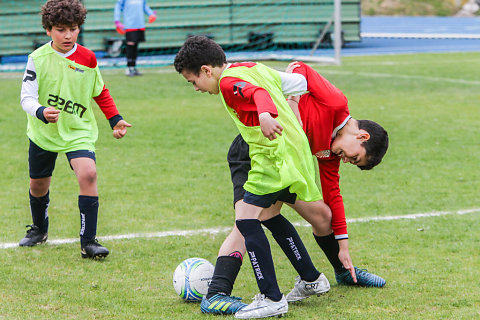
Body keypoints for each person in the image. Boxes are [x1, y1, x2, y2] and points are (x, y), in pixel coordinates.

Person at [198, 61, 389, 315]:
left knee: (321, 216)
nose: (346, 160)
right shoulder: (335, 102)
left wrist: (343, 246)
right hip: (256, 150)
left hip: (285, 163)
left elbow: (333, 193)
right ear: (362, 136)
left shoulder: (328, 153)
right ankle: (218, 291)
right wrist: (294, 101)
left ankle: (333, 273)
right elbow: (299, 67)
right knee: (247, 220)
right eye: (354, 158)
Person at [174, 36, 334, 319]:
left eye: (193, 81)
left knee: (247, 220)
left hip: (271, 155)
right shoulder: (252, 66)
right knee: (268, 215)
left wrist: (265, 114)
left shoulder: (227, 82)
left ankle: (271, 298)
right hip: (292, 149)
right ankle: (311, 280)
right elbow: (298, 84)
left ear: (206, 70)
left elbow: (258, 94)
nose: (196, 88)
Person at [19, 0, 131, 259]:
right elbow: (26, 97)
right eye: (60, 29)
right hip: (43, 132)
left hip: (78, 131)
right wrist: (41, 112)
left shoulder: (88, 58)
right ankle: (39, 229)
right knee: (38, 185)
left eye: (73, 28)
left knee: (88, 174)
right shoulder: (36, 58)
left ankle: (88, 242)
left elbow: (100, 91)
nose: (68, 35)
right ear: (48, 30)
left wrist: (115, 119)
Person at [114, 0, 156, 76]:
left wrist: (151, 14)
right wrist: (117, 21)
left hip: (140, 24)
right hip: (130, 24)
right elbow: (118, 6)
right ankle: (128, 68)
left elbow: (144, 7)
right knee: (130, 45)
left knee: (135, 45)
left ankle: (133, 67)